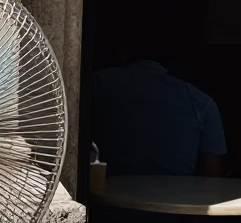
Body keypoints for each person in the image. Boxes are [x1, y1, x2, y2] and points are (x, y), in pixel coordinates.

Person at [92, 57, 227, 179]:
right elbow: (212, 176)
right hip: (176, 197)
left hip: (98, 195)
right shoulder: (200, 102)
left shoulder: (94, 82)